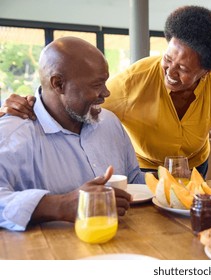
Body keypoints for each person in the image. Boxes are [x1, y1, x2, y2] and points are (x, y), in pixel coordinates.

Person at [0, 5, 211, 179]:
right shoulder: (132, 82)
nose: (170, 71)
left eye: (183, 68)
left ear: (205, 72)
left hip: (195, 168)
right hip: (146, 172)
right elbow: (74, 100)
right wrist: (28, 104)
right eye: (168, 59)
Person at [0, 37, 144, 231]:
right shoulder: (14, 133)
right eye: (96, 85)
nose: (106, 93)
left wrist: (177, 186)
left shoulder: (109, 122)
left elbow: (134, 179)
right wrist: (59, 205)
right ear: (58, 84)